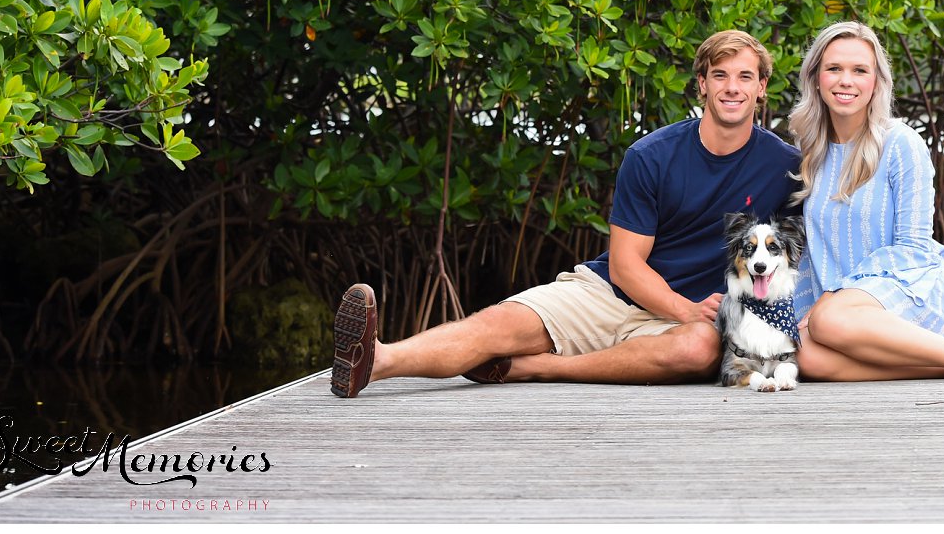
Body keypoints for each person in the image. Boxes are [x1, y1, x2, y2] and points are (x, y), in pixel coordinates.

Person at [329, 29, 799, 397]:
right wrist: (685, 309)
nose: (731, 88)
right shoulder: (651, 156)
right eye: (720, 75)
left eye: (744, 77)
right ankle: (376, 359)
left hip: (680, 325)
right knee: (498, 326)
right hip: (612, 292)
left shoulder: (782, 166)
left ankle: (542, 369)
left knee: (699, 348)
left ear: (761, 88)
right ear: (701, 84)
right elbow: (625, 264)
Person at [789, 21, 944, 383]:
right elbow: (818, 249)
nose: (846, 81)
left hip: (911, 294)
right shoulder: (810, 149)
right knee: (803, 354)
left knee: (828, 320)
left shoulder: (900, 143)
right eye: (834, 69)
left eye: (860, 70)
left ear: (876, 82)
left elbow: (914, 248)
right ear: (815, 78)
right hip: (844, 317)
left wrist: (834, 295)